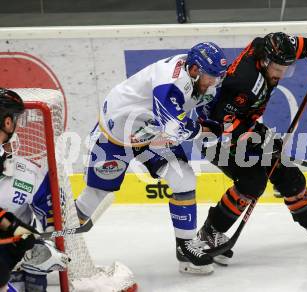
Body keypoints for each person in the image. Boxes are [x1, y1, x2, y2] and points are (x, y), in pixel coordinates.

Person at [74, 42, 227, 274]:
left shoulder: (197, 75)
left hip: (152, 134)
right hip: (116, 134)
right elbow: (176, 125)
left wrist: (224, 126)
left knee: (183, 178)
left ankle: (185, 249)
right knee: (93, 197)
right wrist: (208, 132)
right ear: (195, 70)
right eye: (210, 77)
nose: (214, 82)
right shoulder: (170, 82)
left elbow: (206, 110)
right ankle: (56, 250)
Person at [196, 32, 307, 266]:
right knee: (252, 182)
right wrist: (258, 141)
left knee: (289, 175)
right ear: (265, 62)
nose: (280, 74)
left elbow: (299, 46)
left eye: (286, 68)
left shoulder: (268, 47)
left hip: (243, 123)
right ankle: (210, 231)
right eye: (277, 68)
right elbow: (225, 127)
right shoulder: (243, 84)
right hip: (215, 136)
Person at [0, 88, 69, 292]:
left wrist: (44, 245)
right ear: (8, 122)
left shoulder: (30, 174)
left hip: (16, 256)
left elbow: (52, 217)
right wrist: (15, 228)